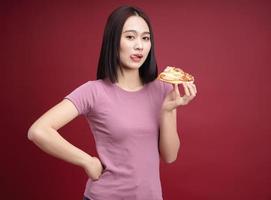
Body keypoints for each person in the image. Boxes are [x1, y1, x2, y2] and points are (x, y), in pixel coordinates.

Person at [27, 5, 197, 200]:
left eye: (145, 38)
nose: (140, 46)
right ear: (114, 41)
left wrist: (167, 111)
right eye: (130, 37)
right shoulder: (93, 91)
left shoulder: (164, 90)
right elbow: (38, 131)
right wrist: (86, 161)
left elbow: (170, 156)